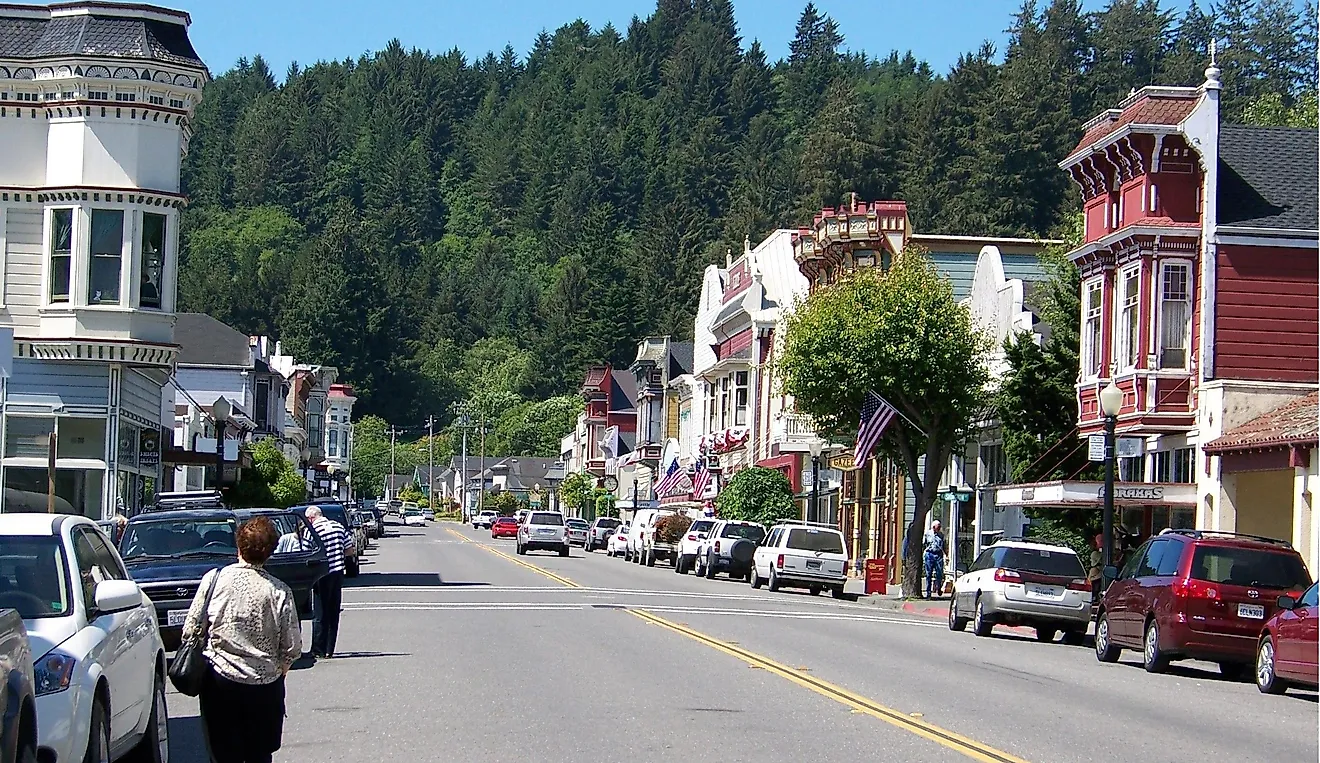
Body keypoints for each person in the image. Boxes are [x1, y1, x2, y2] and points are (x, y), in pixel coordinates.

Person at [181, 516, 300, 763]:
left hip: (219, 681)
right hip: (265, 684)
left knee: (224, 755)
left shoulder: (214, 580)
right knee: (259, 754)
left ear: (238, 546)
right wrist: (280, 668)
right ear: (270, 552)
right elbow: (292, 647)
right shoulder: (278, 591)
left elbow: (191, 629)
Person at [306, 506, 351, 658]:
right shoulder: (338, 526)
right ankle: (329, 649)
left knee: (320, 612)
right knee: (333, 611)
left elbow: (306, 550)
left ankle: (318, 648)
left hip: (321, 573)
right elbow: (349, 549)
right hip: (337, 572)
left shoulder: (312, 530)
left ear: (311, 518)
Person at [923, 520, 946, 599]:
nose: (939, 528)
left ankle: (938, 588)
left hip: (938, 555)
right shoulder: (927, 534)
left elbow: (944, 545)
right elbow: (924, 544)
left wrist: (945, 554)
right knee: (928, 574)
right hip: (930, 554)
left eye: (939, 527)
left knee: (939, 573)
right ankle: (928, 592)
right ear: (933, 527)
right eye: (937, 527)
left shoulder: (941, 535)